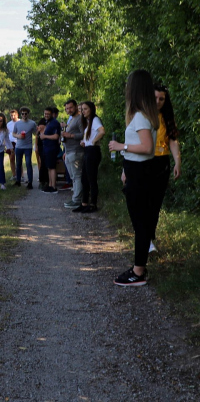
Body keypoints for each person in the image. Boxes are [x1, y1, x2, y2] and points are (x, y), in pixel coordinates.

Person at [108, 69, 160, 286]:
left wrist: (121, 146)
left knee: (140, 224)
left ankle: (138, 273)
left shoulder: (139, 116)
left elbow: (147, 148)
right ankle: (139, 267)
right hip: (138, 172)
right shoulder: (146, 115)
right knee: (142, 223)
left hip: (139, 174)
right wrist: (125, 169)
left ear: (134, 89)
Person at [149, 84, 182, 252]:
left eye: (161, 99)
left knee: (155, 203)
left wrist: (178, 162)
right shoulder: (142, 116)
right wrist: (126, 169)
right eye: (155, 98)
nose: (158, 101)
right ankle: (144, 237)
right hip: (143, 162)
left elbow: (173, 141)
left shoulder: (167, 118)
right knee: (143, 201)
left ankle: (148, 238)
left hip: (162, 163)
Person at [73, 101, 105, 213]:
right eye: (82, 109)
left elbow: (102, 131)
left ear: (91, 109)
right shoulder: (88, 122)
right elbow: (91, 136)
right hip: (88, 150)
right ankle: (84, 203)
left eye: (85, 109)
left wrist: (93, 141)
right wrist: (85, 142)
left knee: (91, 178)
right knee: (84, 178)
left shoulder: (95, 120)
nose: (83, 111)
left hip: (93, 151)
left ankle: (93, 204)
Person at [61, 99, 85, 209]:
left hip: (76, 151)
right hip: (69, 152)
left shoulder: (80, 118)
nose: (68, 110)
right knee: (73, 177)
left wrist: (70, 136)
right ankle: (75, 198)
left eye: (70, 107)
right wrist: (65, 151)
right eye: (66, 109)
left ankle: (77, 200)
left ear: (75, 107)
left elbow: (84, 135)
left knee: (77, 176)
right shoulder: (71, 119)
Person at [38, 106, 62, 193]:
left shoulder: (55, 123)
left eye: (48, 114)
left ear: (52, 114)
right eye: (45, 114)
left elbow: (56, 136)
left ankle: (54, 187)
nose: (46, 115)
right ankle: (50, 185)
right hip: (46, 148)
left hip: (52, 148)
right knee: (49, 167)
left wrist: (44, 136)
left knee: (52, 167)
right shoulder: (48, 122)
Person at [12, 107, 36, 189]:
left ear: (28, 114)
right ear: (21, 114)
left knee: (28, 164)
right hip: (18, 146)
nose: (24, 115)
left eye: (26, 113)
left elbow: (36, 133)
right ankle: (18, 181)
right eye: (22, 113)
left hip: (28, 147)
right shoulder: (17, 123)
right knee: (18, 164)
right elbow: (13, 133)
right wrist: (18, 136)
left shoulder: (32, 123)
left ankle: (30, 183)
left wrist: (40, 131)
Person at [35, 117, 49, 189]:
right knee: (42, 164)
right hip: (40, 148)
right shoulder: (38, 132)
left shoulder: (47, 132)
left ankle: (46, 180)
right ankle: (42, 180)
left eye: (41, 125)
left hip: (46, 148)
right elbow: (36, 139)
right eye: (39, 125)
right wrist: (36, 147)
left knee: (45, 164)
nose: (39, 127)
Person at [7, 109, 19, 181]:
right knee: (11, 159)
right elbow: (7, 134)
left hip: (18, 142)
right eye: (11, 115)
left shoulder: (20, 122)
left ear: (17, 115)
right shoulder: (8, 124)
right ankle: (14, 175)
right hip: (11, 142)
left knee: (19, 159)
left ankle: (21, 176)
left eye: (14, 115)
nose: (13, 117)